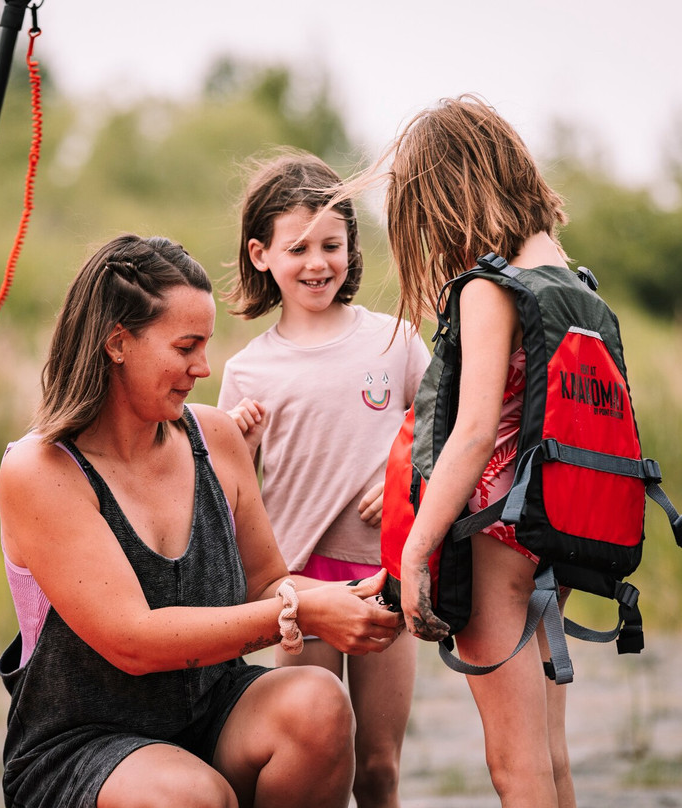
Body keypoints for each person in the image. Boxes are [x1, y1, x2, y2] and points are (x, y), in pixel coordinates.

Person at [0, 233, 402, 808]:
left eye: (205, 346)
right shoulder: (40, 471)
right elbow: (133, 641)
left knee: (319, 701)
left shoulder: (215, 436)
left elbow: (267, 583)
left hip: (213, 711)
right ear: (117, 342)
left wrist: (368, 597)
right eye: (186, 347)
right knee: (192, 795)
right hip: (82, 742)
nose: (204, 369)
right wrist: (304, 613)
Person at [377, 95, 577, 807]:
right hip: (555, 520)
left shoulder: (491, 286)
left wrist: (414, 551)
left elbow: (472, 431)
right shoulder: (566, 274)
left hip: (497, 533)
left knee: (515, 764)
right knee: (551, 756)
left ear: (447, 196)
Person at [217, 150, 430, 808]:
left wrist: (409, 477)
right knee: (320, 761)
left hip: (385, 576)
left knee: (379, 769)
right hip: (297, 589)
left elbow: (448, 427)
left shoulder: (394, 340)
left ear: (351, 248)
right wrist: (241, 446)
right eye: (298, 248)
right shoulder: (247, 371)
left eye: (331, 245)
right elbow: (225, 498)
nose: (317, 263)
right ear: (261, 255)